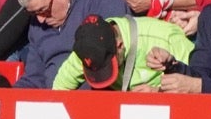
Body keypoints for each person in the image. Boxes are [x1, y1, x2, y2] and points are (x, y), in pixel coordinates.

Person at [54, 10, 192, 92]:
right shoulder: (88, 48)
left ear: (119, 46)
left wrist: (159, 93)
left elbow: (199, 82)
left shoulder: (164, 37)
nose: (102, 73)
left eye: (107, 66)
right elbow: (59, 90)